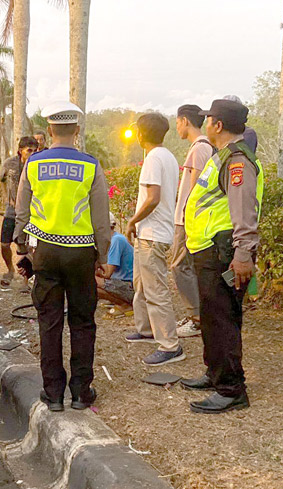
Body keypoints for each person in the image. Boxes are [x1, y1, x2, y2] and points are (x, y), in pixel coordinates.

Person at [13, 101, 111, 412]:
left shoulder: (34, 165)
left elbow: (21, 212)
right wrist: (104, 255)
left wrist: (23, 246)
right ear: (77, 130)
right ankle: (81, 392)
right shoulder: (90, 166)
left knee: (49, 321)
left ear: (50, 130)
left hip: (45, 252)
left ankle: (53, 393)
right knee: (83, 322)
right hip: (81, 252)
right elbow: (100, 219)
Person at [179, 99, 262, 414]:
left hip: (224, 249)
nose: (206, 124)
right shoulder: (223, 157)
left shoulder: (237, 160)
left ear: (217, 124)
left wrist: (242, 254)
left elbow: (243, 213)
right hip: (210, 248)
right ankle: (215, 374)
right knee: (213, 316)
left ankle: (230, 389)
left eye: (208, 119)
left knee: (222, 318)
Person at [124, 113, 183, 366]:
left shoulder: (153, 159)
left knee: (156, 289)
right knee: (141, 284)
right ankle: (146, 329)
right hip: (151, 233)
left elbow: (153, 198)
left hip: (153, 234)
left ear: (139, 134)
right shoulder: (166, 156)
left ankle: (170, 345)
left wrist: (132, 220)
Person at [171, 104, 215, 338]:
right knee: (186, 266)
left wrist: (188, 218)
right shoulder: (202, 147)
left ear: (185, 121)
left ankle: (197, 318)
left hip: (188, 218)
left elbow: (197, 188)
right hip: (189, 217)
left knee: (179, 265)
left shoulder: (199, 149)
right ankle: (196, 315)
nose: (176, 127)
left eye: (177, 122)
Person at [0, 136, 39, 287]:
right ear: (21, 151)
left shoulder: (37, 165)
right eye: (29, 150)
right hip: (11, 210)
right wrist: (6, 198)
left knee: (26, 246)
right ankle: (9, 270)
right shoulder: (10, 164)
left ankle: (25, 280)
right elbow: (0, 179)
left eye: (35, 150)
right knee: (4, 244)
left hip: (30, 212)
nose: (32, 153)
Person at [96, 212, 134, 314]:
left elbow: (107, 273)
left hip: (129, 286)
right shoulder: (115, 239)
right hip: (126, 283)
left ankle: (124, 304)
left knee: (90, 282)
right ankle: (117, 300)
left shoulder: (116, 241)